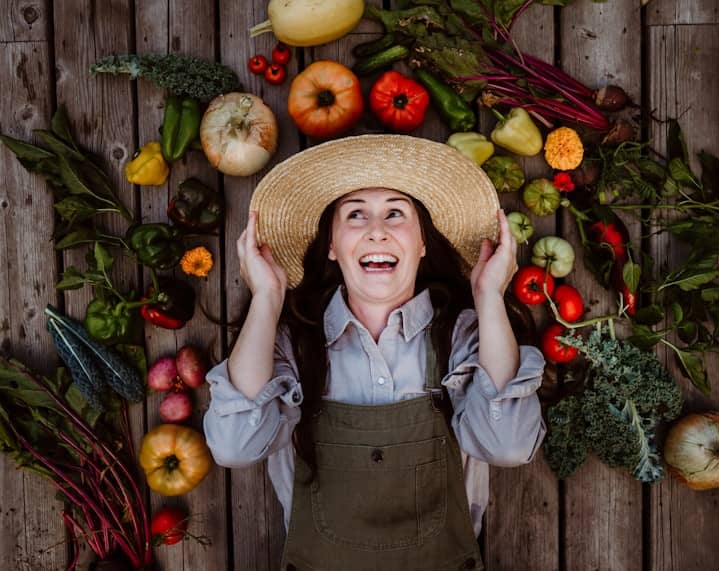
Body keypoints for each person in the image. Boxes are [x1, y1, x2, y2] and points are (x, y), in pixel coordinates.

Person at [203, 135, 547, 570]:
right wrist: (268, 296)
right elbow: (234, 447)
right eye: (356, 214)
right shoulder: (291, 347)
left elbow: (510, 447)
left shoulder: (463, 339)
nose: (377, 230)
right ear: (331, 245)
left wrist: (489, 296)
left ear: (423, 243)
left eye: (396, 213)